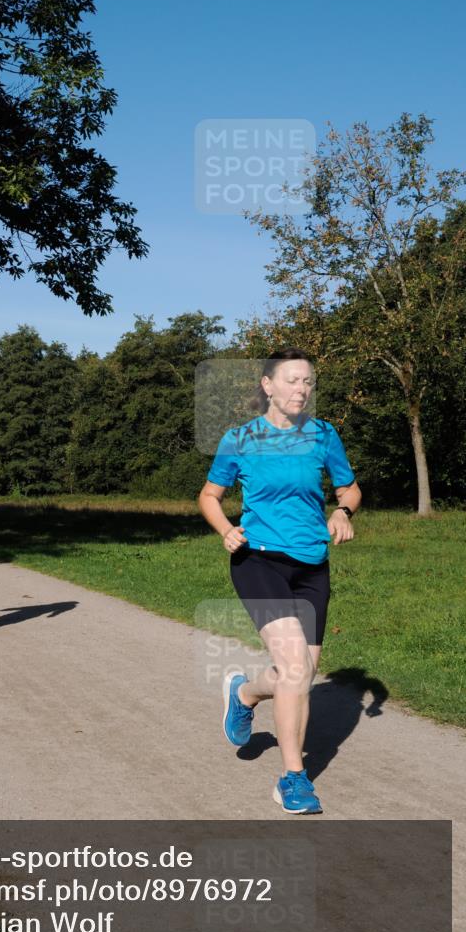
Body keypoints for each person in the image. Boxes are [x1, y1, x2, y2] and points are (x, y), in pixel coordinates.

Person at [198, 348, 361, 815]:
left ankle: (244, 693)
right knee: (294, 670)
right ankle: (294, 778)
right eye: (292, 380)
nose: (301, 389)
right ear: (268, 385)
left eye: (308, 381)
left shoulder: (324, 435)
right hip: (258, 562)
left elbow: (349, 487)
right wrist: (226, 528)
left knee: (300, 676)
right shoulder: (240, 439)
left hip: (311, 565)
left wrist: (343, 510)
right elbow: (210, 496)